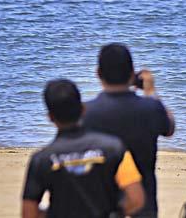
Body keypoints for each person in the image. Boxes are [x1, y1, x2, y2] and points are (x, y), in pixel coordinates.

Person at [22, 79, 144, 218]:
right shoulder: (114, 148)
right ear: (83, 109)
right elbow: (136, 199)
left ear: (50, 117)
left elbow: (28, 213)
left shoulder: (41, 160)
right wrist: (113, 214)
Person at [82, 43, 175, 218]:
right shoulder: (151, 108)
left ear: (98, 73)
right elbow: (169, 128)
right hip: (144, 205)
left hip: (101, 205)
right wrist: (151, 91)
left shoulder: (85, 113)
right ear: (132, 74)